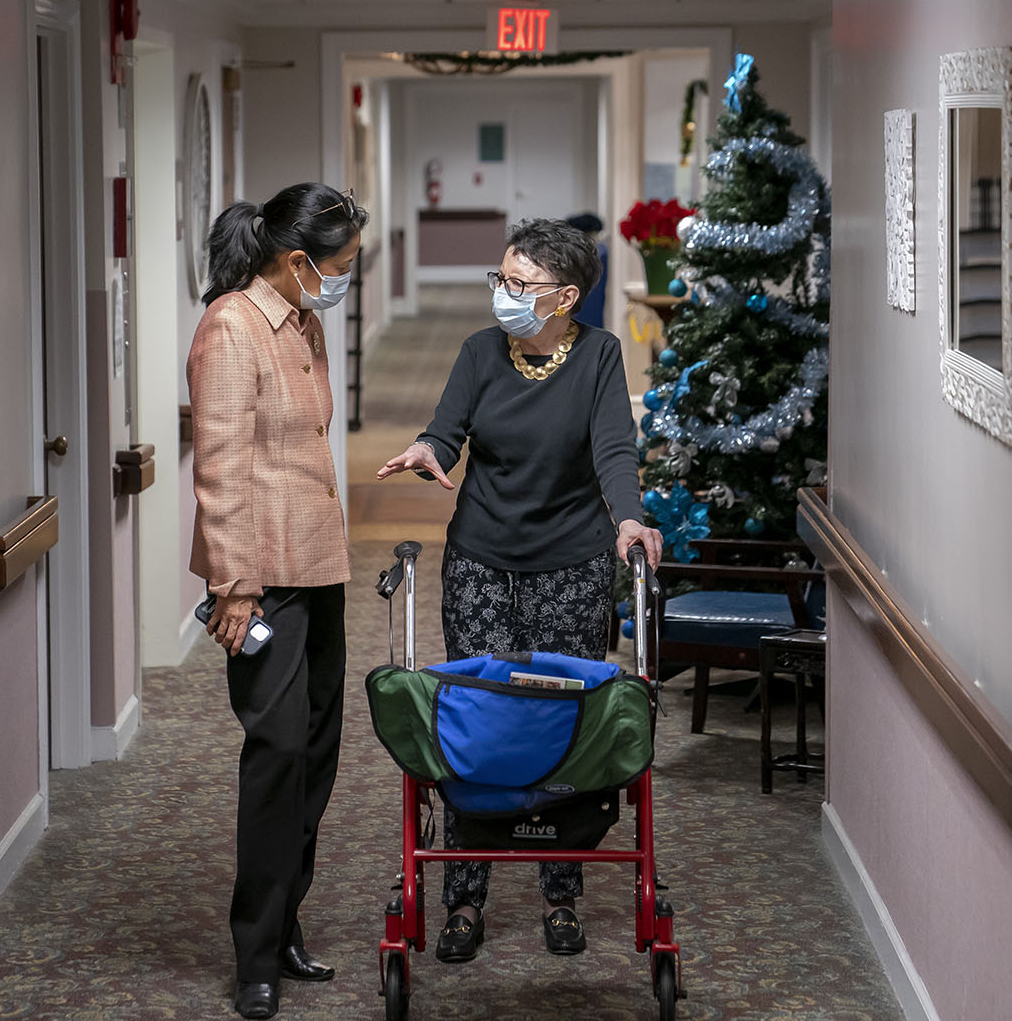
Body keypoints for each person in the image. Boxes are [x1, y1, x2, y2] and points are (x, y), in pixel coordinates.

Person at [376, 217, 664, 965]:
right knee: (481, 723)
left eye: (520, 284)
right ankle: (464, 895)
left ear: (565, 296)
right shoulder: (479, 351)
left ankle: (561, 891)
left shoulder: (599, 357)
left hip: (571, 565)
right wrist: (426, 450)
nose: (503, 293)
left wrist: (629, 518)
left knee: (559, 723)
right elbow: (449, 430)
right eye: (500, 279)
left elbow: (613, 449)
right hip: (479, 558)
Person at [188, 182, 366, 1020]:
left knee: (319, 754)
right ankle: (253, 953)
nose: (343, 280)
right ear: (297, 261)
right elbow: (219, 469)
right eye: (338, 266)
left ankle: (287, 919)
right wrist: (233, 585)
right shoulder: (231, 327)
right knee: (276, 757)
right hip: (261, 582)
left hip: (319, 567)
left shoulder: (305, 322)